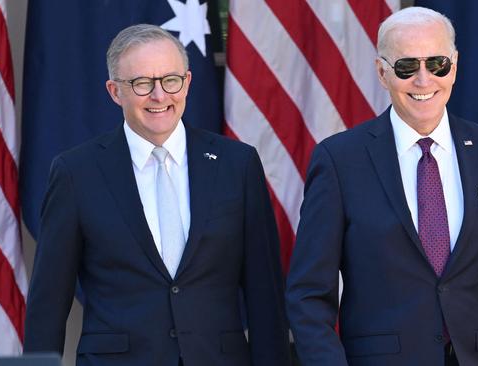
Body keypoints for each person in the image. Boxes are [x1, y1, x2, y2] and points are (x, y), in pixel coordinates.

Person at [285, 6, 478, 366]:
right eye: (407, 67)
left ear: (454, 66)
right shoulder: (340, 160)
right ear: (382, 73)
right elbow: (308, 295)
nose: (424, 80)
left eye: (437, 64)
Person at [24, 24, 290, 366]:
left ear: (188, 83)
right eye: (141, 83)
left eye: (170, 80)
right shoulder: (77, 172)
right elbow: (49, 300)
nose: (159, 95)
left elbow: (264, 292)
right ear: (114, 91)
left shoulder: (236, 164)